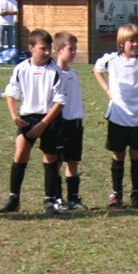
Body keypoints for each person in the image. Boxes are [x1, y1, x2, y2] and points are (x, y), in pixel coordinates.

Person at [0, 28, 65, 215]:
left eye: (49, 48)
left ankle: (49, 200)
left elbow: (59, 102)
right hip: (27, 118)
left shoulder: (54, 71)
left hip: (48, 118)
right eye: (43, 48)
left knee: (50, 157)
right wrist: (14, 117)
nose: (47, 52)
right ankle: (13, 198)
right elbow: (11, 93)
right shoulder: (21, 68)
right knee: (19, 155)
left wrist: (44, 123)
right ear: (31, 48)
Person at [93, 23, 138, 209]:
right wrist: (107, 90)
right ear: (121, 43)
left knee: (136, 154)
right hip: (118, 115)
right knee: (118, 154)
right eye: (131, 40)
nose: (135, 44)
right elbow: (96, 70)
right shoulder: (111, 60)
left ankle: (136, 194)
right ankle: (116, 193)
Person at [53, 31, 85, 210]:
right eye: (70, 49)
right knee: (57, 161)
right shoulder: (54, 73)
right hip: (60, 123)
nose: (73, 52)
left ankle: (73, 197)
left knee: (73, 160)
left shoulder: (74, 73)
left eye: (75, 49)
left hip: (75, 122)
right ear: (59, 50)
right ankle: (57, 198)